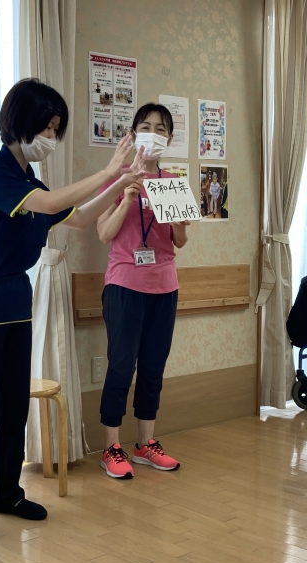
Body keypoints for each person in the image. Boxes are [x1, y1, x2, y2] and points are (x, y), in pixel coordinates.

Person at [0, 78, 146, 540]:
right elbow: (51, 204)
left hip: (16, 303)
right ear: (21, 123)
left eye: (55, 129)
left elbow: (81, 218)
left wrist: (123, 186)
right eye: (47, 127)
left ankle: (7, 494)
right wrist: (110, 170)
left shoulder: (32, 181)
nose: (51, 136)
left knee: (13, 404)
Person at [96, 103, 189, 479]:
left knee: (153, 367)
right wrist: (127, 199)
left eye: (161, 129)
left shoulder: (172, 182)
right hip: (124, 284)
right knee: (121, 365)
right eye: (146, 126)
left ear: (169, 138)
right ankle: (111, 447)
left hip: (164, 285)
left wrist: (180, 222)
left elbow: (179, 241)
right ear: (134, 134)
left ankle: (145, 444)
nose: (154, 133)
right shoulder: (117, 177)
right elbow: (103, 233)